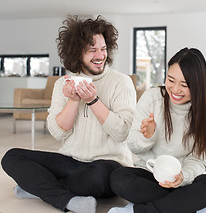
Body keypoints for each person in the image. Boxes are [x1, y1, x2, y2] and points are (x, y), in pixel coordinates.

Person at [1, 15, 136, 213]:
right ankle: (67, 199)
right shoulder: (63, 84)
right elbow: (58, 133)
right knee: (11, 157)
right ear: (76, 53)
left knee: (99, 175)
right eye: (92, 50)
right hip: (71, 161)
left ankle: (40, 188)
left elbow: (122, 132)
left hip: (108, 164)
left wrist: (93, 101)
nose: (100, 55)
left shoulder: (121, 82)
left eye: (103, 48)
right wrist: (73, 101)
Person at [108, 48, 206, 213]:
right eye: (171, 80)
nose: (175, 89)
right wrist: (146, 137)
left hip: (183, 181)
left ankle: (139, 211)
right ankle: (185, 205)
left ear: (199, 85)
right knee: (119, 178)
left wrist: (182, 177)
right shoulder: (152, 98)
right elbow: (133, 146)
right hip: (150, 175)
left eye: (184, 85)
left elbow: (199, 161)